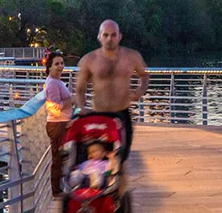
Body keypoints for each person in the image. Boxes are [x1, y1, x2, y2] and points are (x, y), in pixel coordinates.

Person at [74, 20, 150, 196]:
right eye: (105, 35)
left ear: (120, 36)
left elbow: (144, 75)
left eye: (113, 34)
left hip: (122, 114)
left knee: (120, 161)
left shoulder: (132, 56)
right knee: (97, 158)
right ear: (99, 36)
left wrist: (139, 91)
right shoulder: (89, 59)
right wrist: (82, 107)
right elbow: (79, 89)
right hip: (98, 116)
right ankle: (97, 194)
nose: (109, 39)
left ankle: (119, 199)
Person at [44, 50, 74, 198]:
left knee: (62, 157)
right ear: (49, 67)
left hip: (62, 123)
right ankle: (56, 191)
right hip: (57, 125)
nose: (60, 66)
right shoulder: (52, 83)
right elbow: (56, 108)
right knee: (57, 158)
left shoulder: (57, 81)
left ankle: (61, 187)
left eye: (62, 63)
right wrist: (72, 100)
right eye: (56, 64)